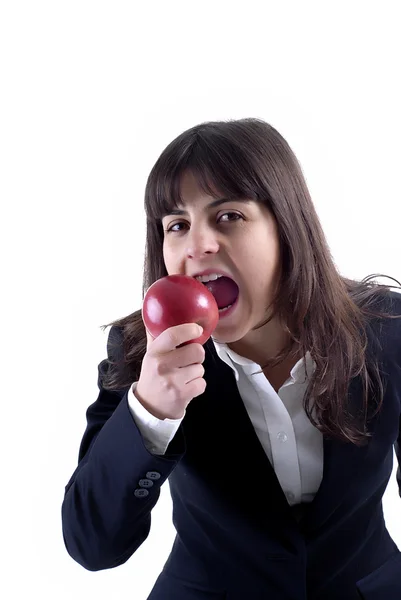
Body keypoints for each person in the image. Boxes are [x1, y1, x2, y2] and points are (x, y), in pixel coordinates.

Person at [61, 118, 401, 600]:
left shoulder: (388, 328)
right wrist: (150, 412)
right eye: (177, 225)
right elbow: (93, 545)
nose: (198, 245)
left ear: (287, 226)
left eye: (228, 216)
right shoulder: (140, 354)